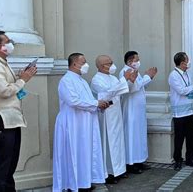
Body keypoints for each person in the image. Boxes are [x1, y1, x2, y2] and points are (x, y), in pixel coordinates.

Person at [0, 30, 37, 191]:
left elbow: (9, 87)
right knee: (2, 164)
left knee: (10, 163)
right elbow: (3, 91)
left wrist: (20, 78)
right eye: (8, 41)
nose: (12, 43)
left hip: (11, 119)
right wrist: (23, 80)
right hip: (1, 120)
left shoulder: (1, 63)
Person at [53, 53, 110, 191]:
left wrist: (100, 105)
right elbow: (73, 101)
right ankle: (72, 184)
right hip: (72, 123)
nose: (86, 65)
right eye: (83, 62)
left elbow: (89, 101)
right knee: (72, 152)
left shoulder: (83, 81)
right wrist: (96, 103)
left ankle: (84, 182)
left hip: (85, 123)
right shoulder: (66, 81)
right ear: (74, 64)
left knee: (84, 152)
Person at [91, 55, 137, 184]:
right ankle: (109, 172)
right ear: (100, 66)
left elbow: (120, 91)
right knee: (109, 143)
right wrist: (124, 79)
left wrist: (130, 81)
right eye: (108, 63)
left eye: (111, 62)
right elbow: (107, 94)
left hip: (116, 113)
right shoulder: (96, 80)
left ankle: (119, 170)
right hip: (106, 115)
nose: (111, 65)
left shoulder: (113, 77)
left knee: (118, 142)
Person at [168, 52, 193, 171]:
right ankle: (178, 160)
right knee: (179, 138)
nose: (189, 62)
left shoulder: (187, 74)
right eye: (187, 60)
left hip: (191, 111)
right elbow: (182, 91)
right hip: (180, 114)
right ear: (182, 63)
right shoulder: (173, 75)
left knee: (191, 137)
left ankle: (190, 159)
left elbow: (192, 89)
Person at [119, 51, 157, 174]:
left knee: (139, 135)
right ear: (130, 61)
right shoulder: (125, 72)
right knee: (132, 135)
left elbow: (140, 86)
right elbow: (131, 89)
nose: (138, 62)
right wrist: (148, 77)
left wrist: (146, 78)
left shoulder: (135, 72)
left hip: (139, 110)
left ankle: (140, 160)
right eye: (137, 59)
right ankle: (131, 163)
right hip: (130, 110)